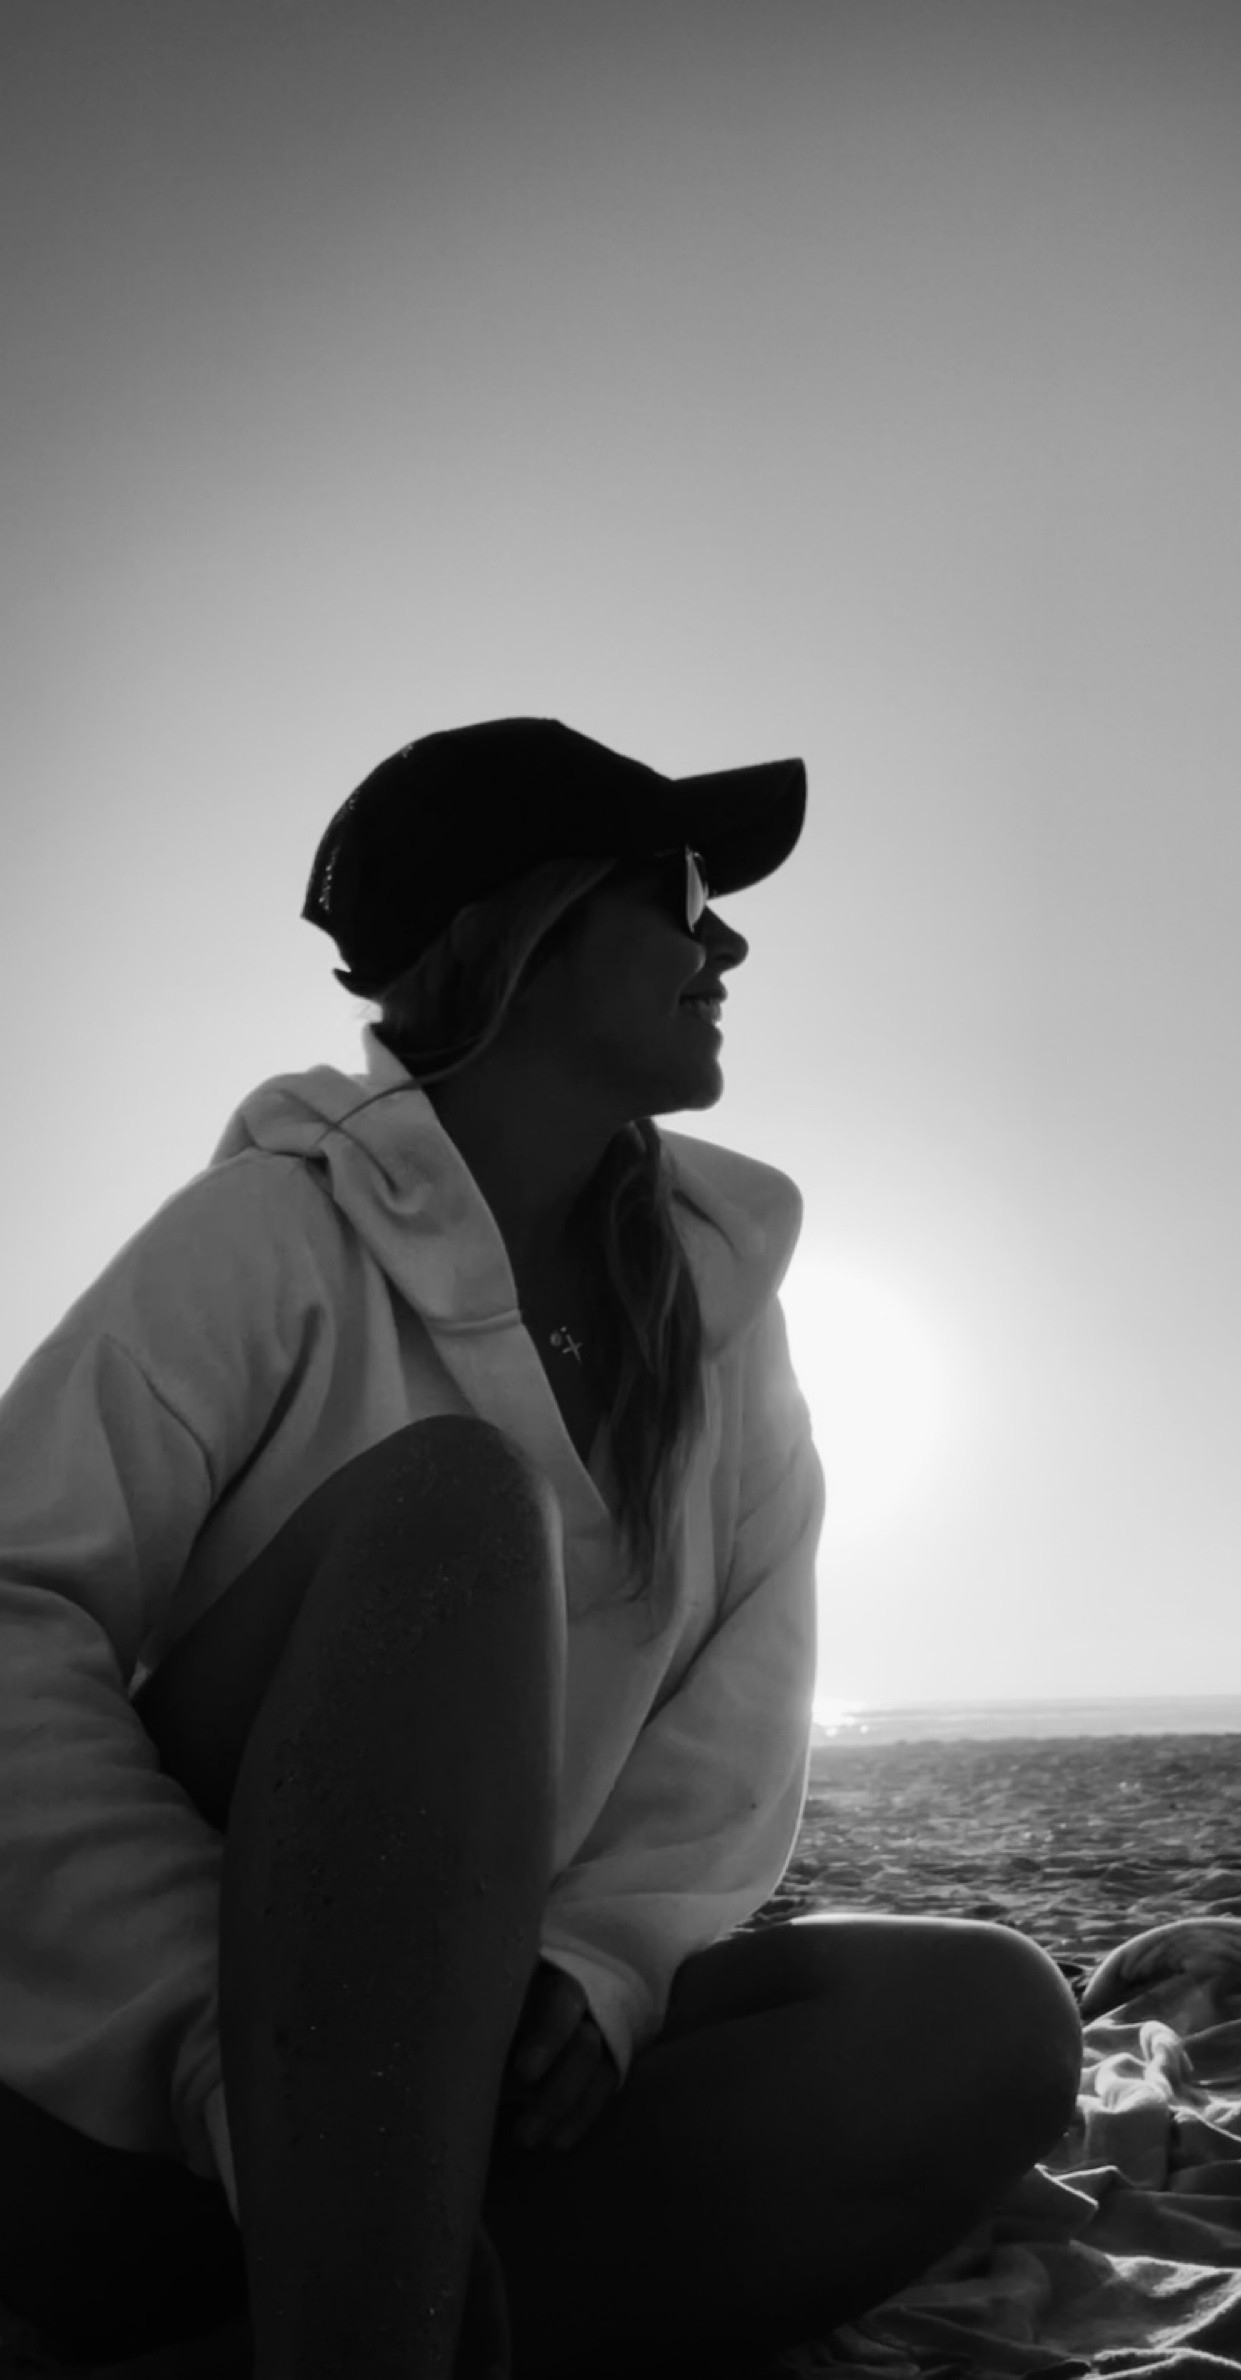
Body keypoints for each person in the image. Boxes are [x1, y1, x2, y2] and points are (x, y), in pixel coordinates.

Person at [0, 718, 1084, 2380]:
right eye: (684, 894)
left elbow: (741, 1712)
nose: (727, 945)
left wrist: (601, 1967)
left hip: (494, 2085)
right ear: (525, 931)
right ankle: (365, 2286)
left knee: (986, 2021)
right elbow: (15, 1619)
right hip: (140, 2103)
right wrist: (233, 2050)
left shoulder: (722, 1315)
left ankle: (350, 2325)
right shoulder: (266, 1238)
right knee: (452, 1516)